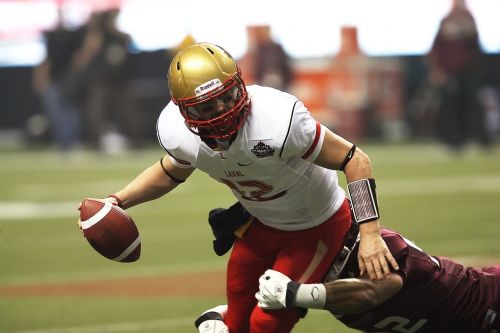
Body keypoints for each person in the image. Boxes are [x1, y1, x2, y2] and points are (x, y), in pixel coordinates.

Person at [81, 42, 398, 333]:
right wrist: (117, 200)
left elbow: (356, 159)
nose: (221, 111)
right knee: (236, 317)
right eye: (207, 107)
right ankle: (221, 317)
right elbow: (170, 171)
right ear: (185, 112)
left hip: (317, 227)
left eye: (226, 97)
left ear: (239, 85)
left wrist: (370, 234)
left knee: (266, 323)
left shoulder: (277, 120)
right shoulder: (180, 135)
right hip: (260, 224)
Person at [195, 207, 499, 333]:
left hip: (488, 303)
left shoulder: (378, 247)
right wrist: (216, 320)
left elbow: (372, 291)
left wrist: (294, 293)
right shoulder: (311, 261)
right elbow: (261, 303)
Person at [427, 0, 491, 150]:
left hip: (469, 71)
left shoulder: (468, 19)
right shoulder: (446, 21)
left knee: (473, 104)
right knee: (451, 106)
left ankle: (482, 140)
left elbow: (475, 44)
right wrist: (437, 69)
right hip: (450, 72)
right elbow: (437, 47)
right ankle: (455, 141)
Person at [32, 8, 87, 152]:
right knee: (56, 112)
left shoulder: (74, 36)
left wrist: (75, 77)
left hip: (69, 79)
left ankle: (72, 143)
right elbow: (46, 59)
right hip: (54, 79)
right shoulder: (50, 37)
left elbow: (80, 57)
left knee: (71, 112)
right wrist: (41, 77)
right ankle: (62, 144)